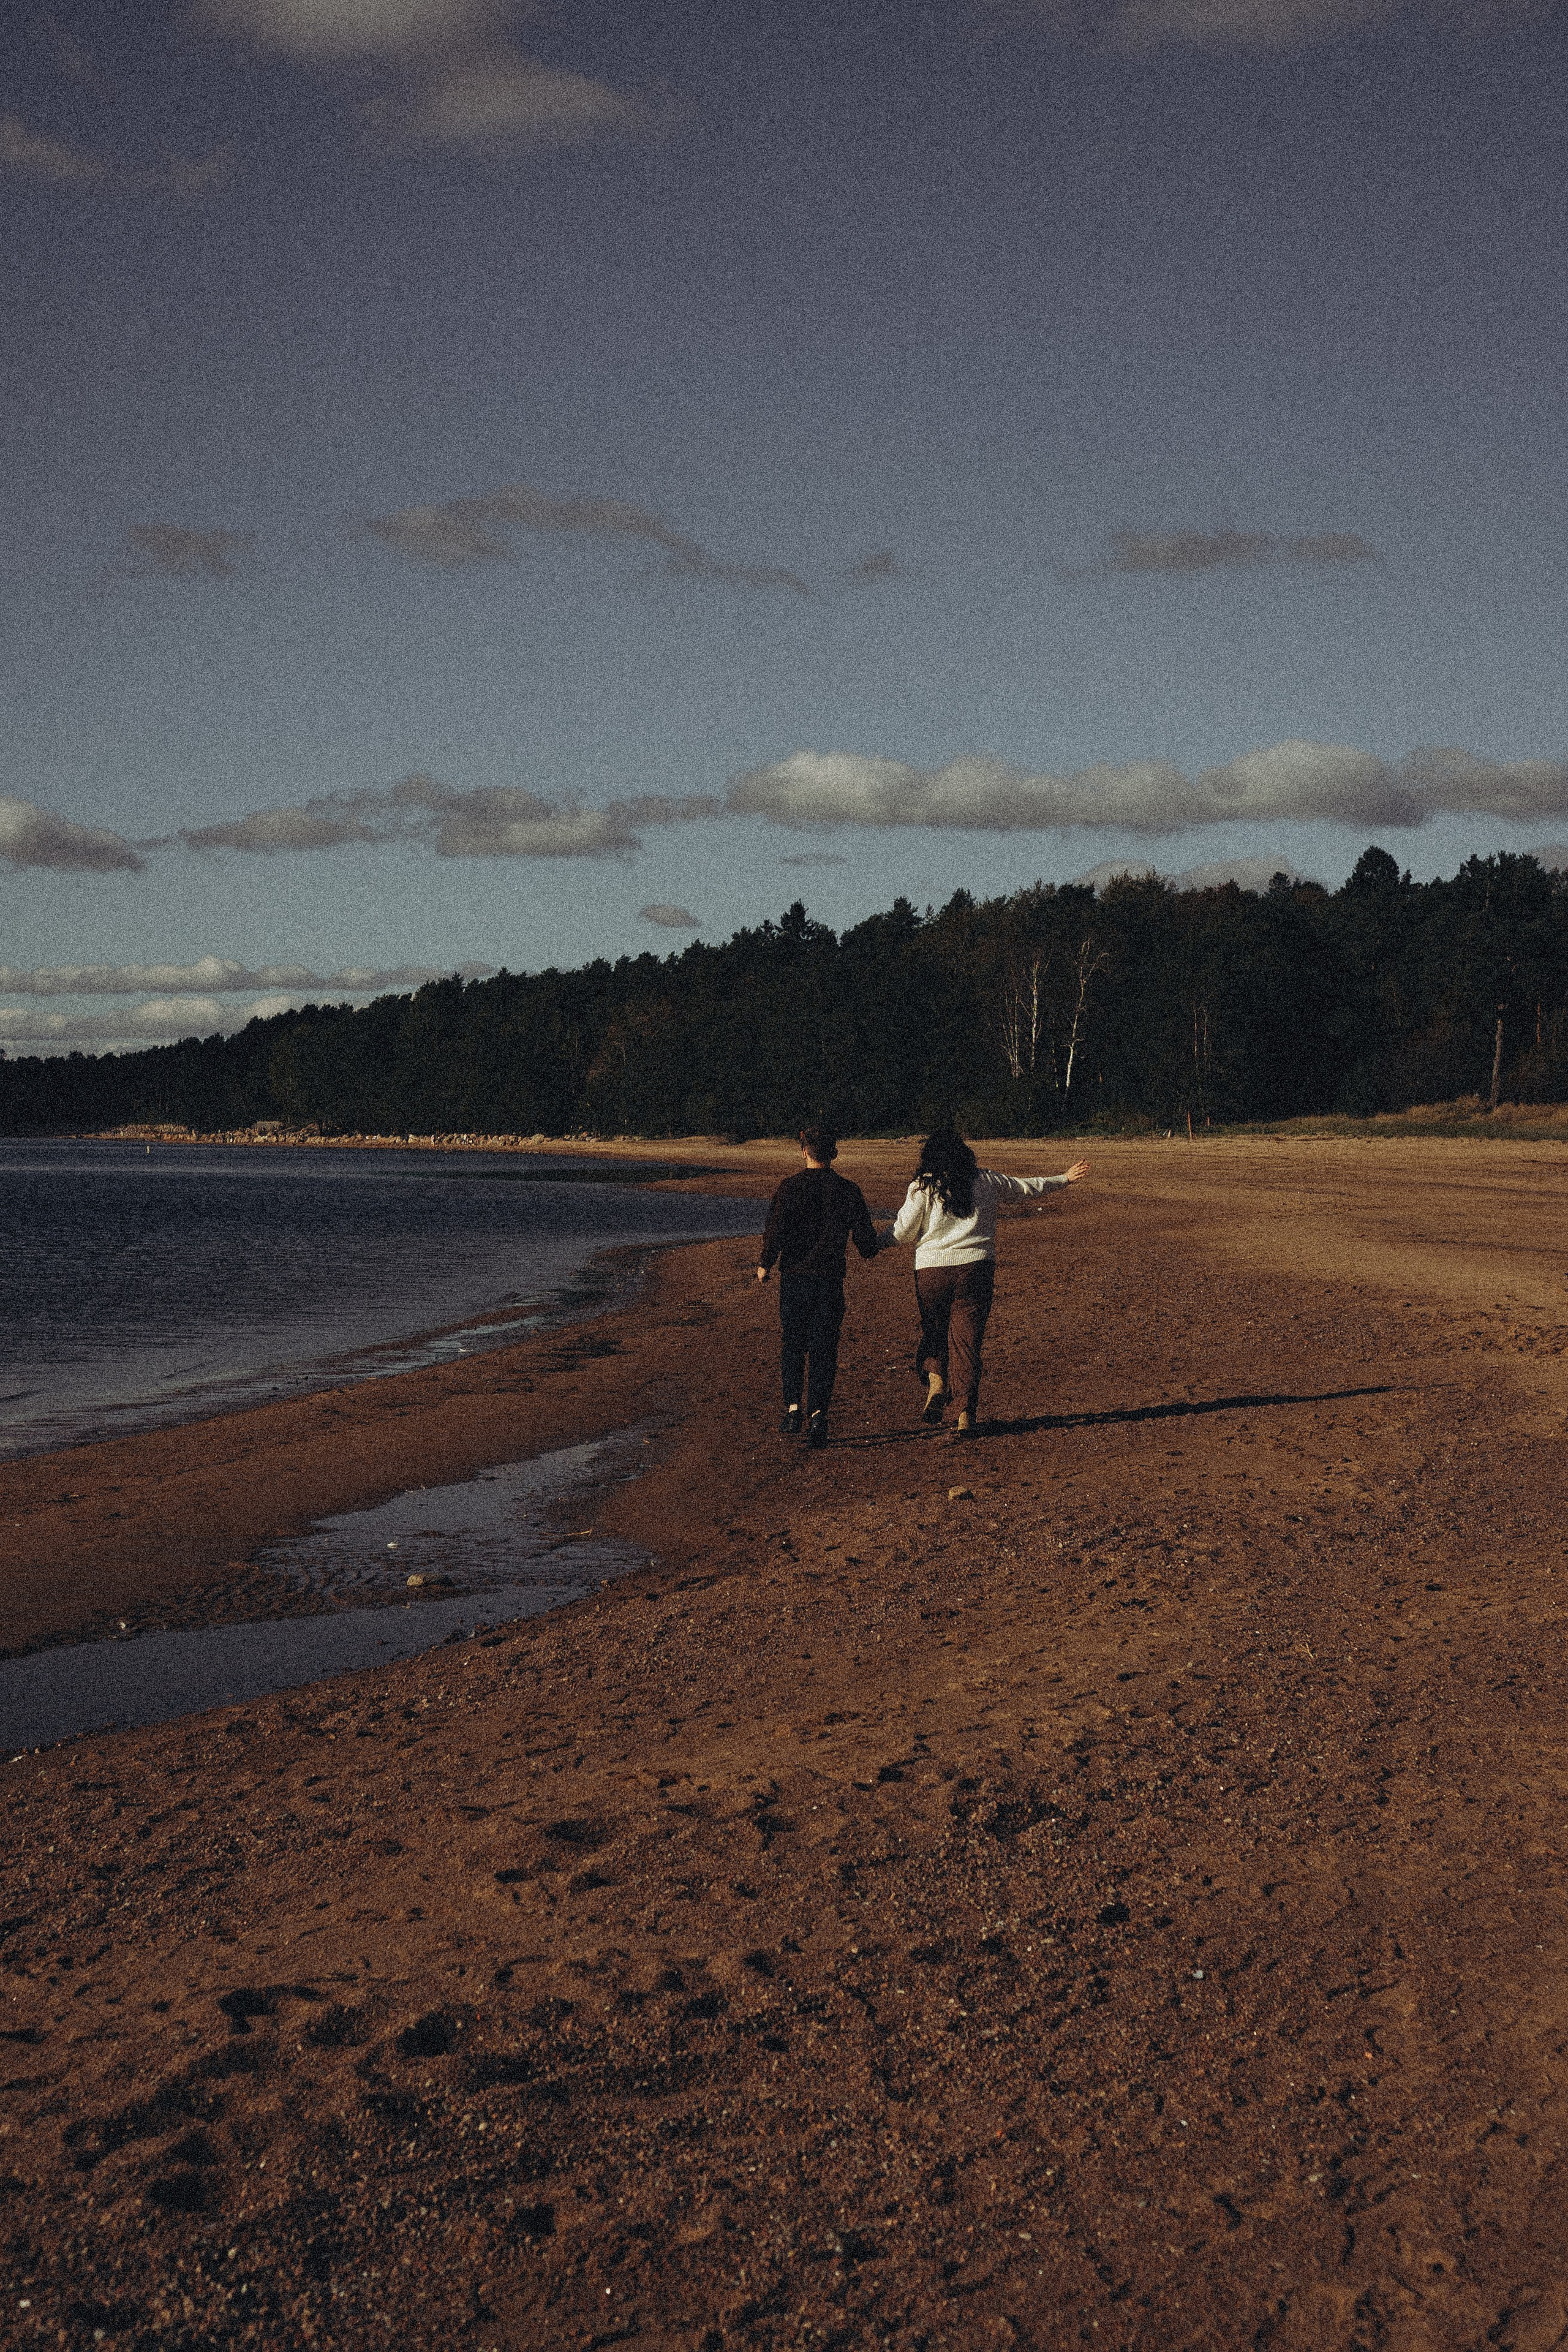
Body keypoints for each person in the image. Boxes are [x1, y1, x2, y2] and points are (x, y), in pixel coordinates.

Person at [884, 1127, 1090, 1438]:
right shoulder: (986, 1180)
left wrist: (873, 1243)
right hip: (976, 1270)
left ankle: (937, 1383)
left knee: (935, 1331)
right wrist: (1064, 1178)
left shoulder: (923, 1186)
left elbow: (902, 1232)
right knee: (966, 1343)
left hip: (932, 1272)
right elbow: (1026, 1188)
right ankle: (965, 1414)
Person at [756, 1125, 882, 1448]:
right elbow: (866, 1243)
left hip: (795, 1279)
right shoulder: (848, 1190)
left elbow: (776, 1230)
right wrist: (878, 1244)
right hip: (829, 1280)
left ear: (804, 1152)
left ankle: (793, 1408)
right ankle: (817, 1415)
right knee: (824, 1348)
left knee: (793, 1343)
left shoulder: (789, 1188)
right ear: (834, 1153)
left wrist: (765, 1264)